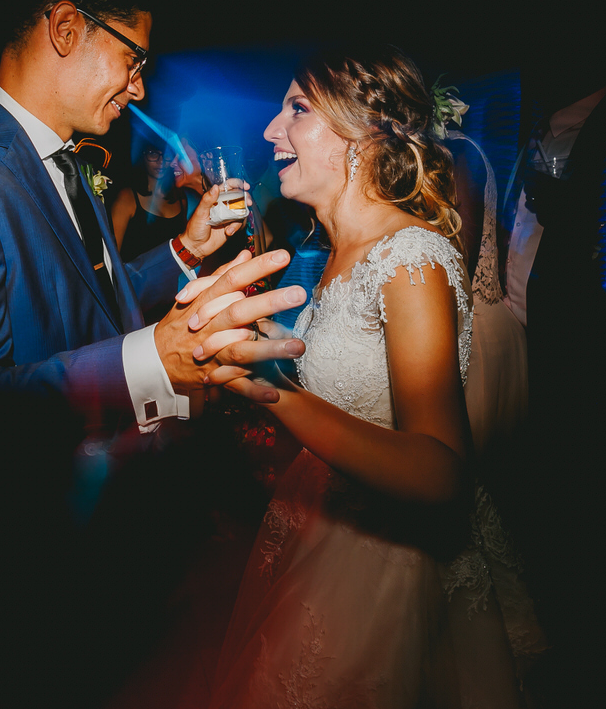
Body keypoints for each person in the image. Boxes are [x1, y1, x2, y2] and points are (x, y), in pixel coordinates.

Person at [0, 0, 305, 703]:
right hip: (29, 570)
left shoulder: (66, 164)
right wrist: (152, 361)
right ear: (64, 27)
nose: (140, 85)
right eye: (133, 57)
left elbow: (87, 303)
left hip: (103, 544)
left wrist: (181, 249)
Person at [185, 45, 531, 708]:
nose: (268, 130)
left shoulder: (410, 260)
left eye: (295, 108)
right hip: (315, 536)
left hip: (381, 576)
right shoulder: (337, 250)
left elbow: (441, 473)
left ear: (363, 129)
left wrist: (271, 391)